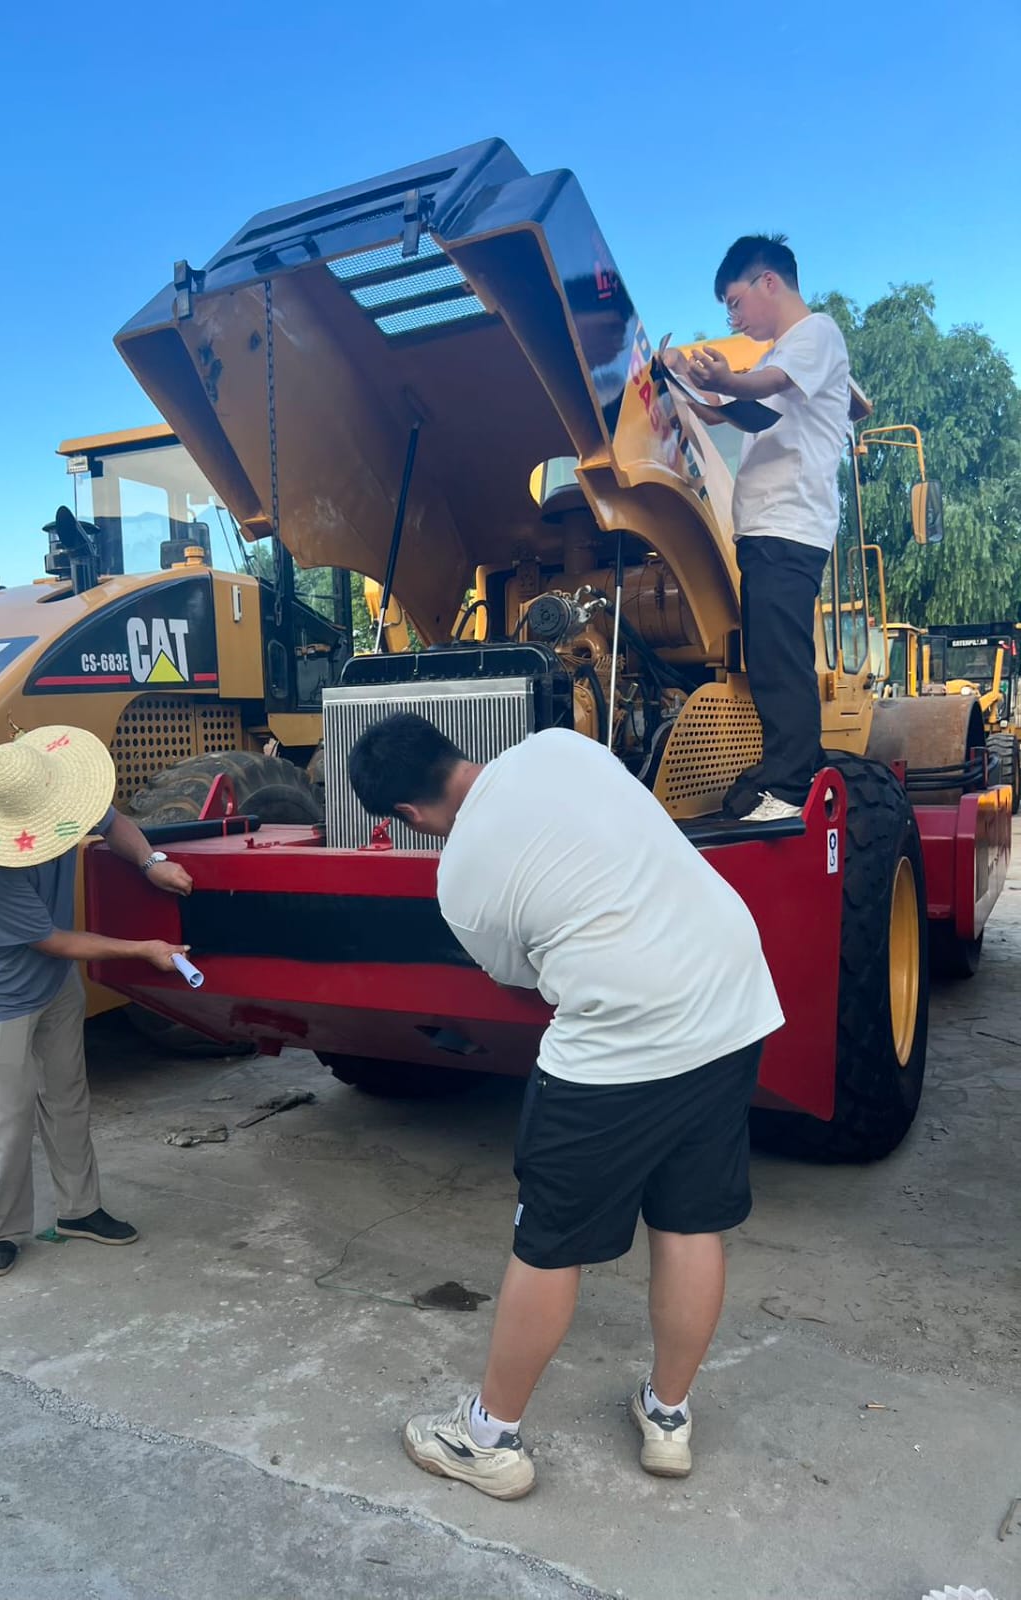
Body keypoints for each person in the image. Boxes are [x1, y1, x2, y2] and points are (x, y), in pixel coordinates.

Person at [347, 714, 784, 1500]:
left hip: (619, 1047)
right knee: (689, 1222)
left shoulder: (460, 883)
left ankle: (488, 1440)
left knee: (548, 1244)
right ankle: (668, 1417)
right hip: (730, 997)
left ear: (407, 815)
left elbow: (524, 977)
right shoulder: (560, 746)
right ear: (450, 749)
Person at [0, 724, 192, 1279]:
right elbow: (53, 940)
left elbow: (113, 821)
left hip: (53, 980)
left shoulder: (61, 790)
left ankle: (80, 1209)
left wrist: (150, 862)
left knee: (67, 1094)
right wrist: (144, 949)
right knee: (9, 1115)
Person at [673, 233, 851, 823]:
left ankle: (793, 788)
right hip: (771, 530)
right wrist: (691, 394)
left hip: (788, 527)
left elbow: (763, 387)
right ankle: (787, 773)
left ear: (768, 281)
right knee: (770, 659)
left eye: (734, 302)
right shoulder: (784, 354)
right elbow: (749, 410)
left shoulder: (815, 333)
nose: (733, 317)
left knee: (780, 663)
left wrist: (726, 380)